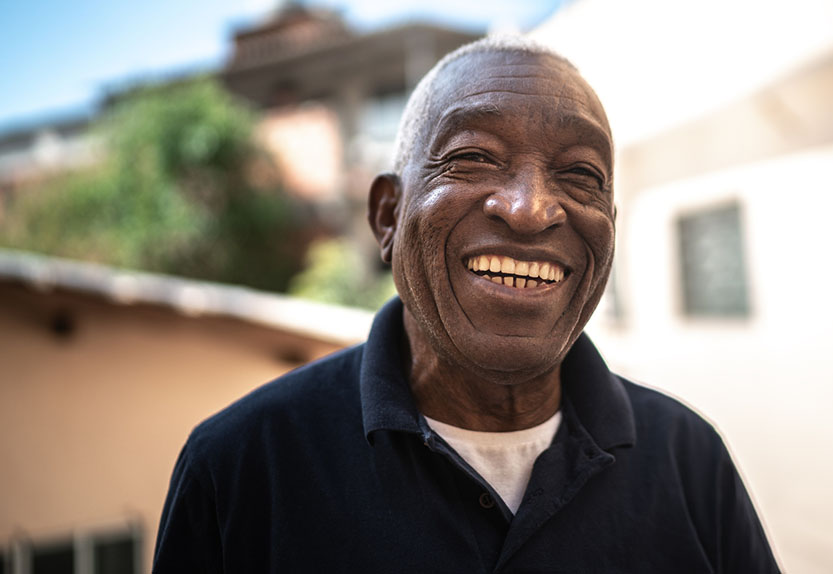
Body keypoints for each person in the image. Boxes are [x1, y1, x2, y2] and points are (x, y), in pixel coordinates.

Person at [153, 36, 780, 573]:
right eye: (474, 157)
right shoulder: (239, 470)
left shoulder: (690, 461)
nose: (531, 208)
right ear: (387, 215)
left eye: (581, 173)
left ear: (609, 228)